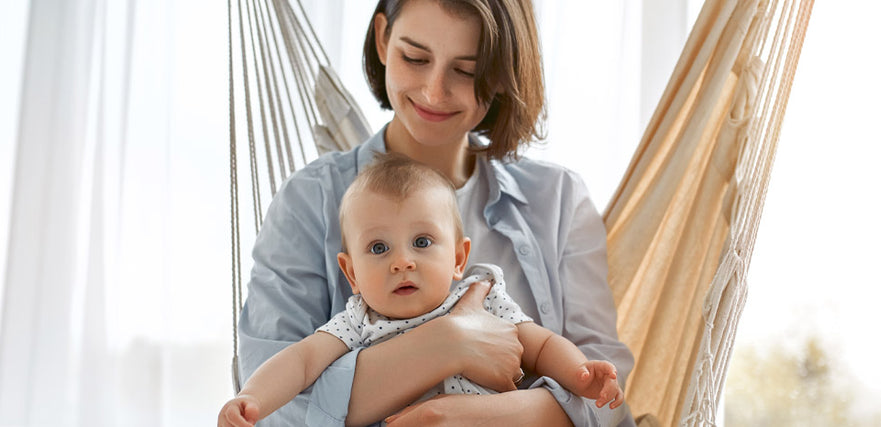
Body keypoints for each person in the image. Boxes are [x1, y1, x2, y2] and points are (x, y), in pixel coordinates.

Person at [237, 0, 636, 425]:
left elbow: (605, 395)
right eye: (414, 57)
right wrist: (449, 341)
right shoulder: (310, 201)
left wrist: (476, 418)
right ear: (382, 39)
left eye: (466, 70)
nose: (434, 91)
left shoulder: (558, 198)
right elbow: (275, 410)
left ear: (501, 74)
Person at [221, 155, 625, 427]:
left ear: (458, 257)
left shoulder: (484, 298)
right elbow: (300, 362)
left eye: (422, 242)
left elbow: (541, 346)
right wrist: (252, 397)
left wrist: (579, 373)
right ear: (352, 272)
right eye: (379, 248)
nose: (402, 262)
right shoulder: (358, 320)